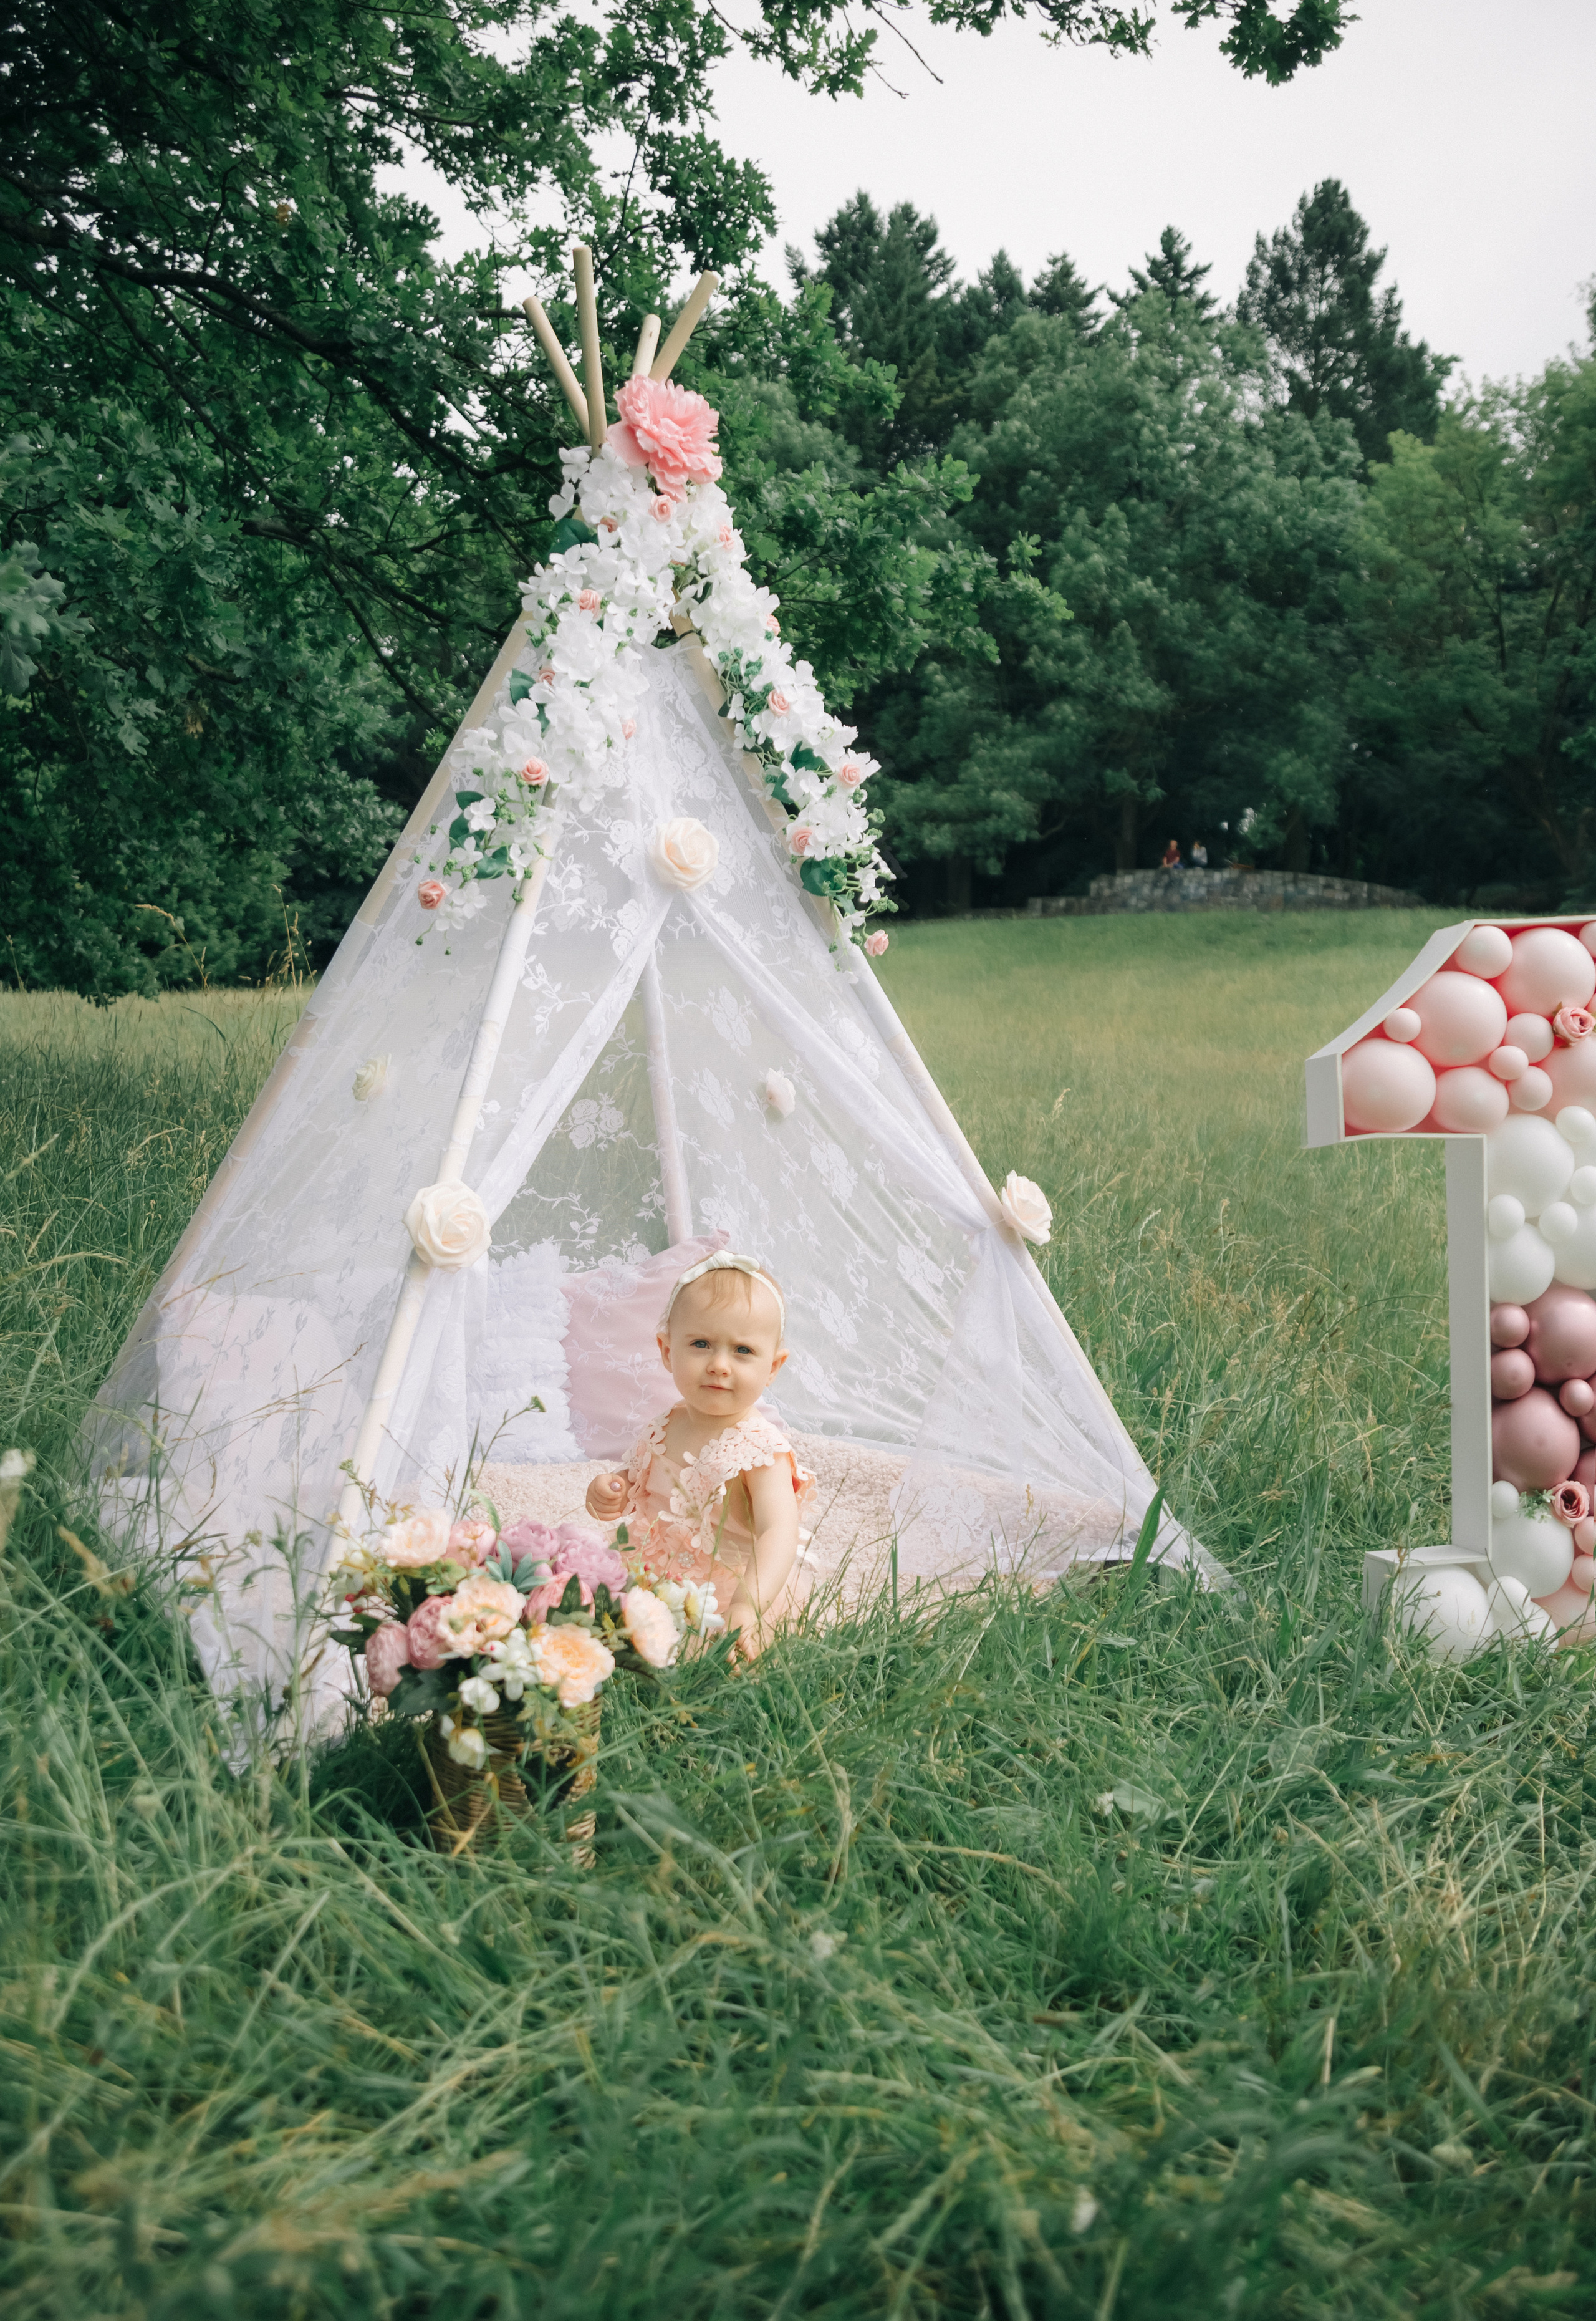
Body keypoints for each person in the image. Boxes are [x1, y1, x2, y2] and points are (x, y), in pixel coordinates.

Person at [584, 1251, 812, 1658]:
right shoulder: (667, 1422)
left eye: (742, 1350)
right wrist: (612, 1487)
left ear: (773, 1367)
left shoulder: (761, 1450)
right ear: (668, 1351)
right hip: (649, 1570)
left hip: (721, 1591)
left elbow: (779, 1531)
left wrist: (749, 1604)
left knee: (699, 1661)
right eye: (701, 1344)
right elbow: (646, 1482)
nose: (720, 1365)